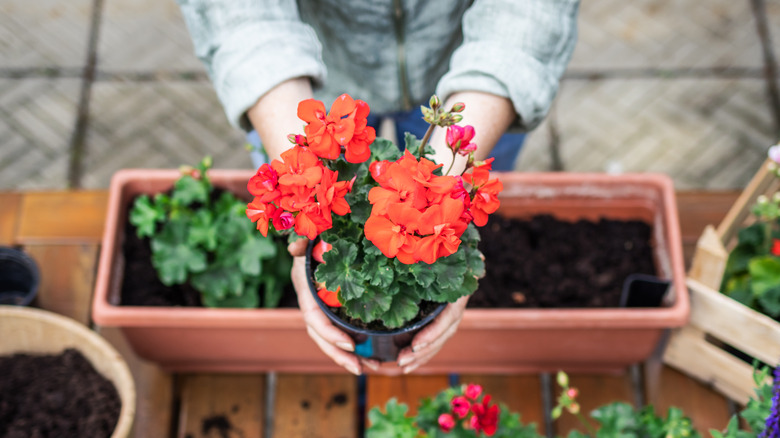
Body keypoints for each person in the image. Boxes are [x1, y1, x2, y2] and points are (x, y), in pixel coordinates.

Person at [177, 0, 580, 375]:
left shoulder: (424, 193)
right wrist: (304, 186)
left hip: (477, 76)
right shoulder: (323, 150)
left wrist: (445, 192)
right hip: (305, 77)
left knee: (456, 194)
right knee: (330, 195)